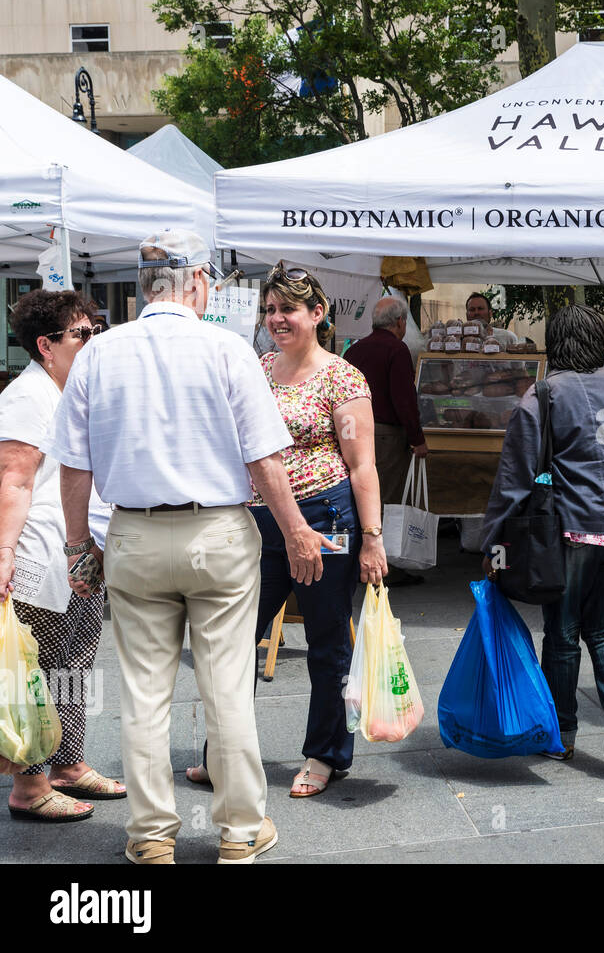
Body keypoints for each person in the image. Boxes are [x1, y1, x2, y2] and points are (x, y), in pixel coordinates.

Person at [46, 229, 330, 864]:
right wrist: (295, 530)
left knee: (143, 693)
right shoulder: (227, 349)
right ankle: (238, 830)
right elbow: (264, 459)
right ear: (198, 281)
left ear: (147, 286)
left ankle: (150, 838)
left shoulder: (99, 352)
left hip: (134, 534)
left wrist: (75, 547)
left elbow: (72, 465)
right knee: (226, 686)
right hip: (218, 532)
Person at [187, 262, 386, 797]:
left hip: (327, 520)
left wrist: (372, 537)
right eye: (270, 309)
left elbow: (362, 464)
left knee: (326, 642)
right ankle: (226, 754)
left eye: (288, 309)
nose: (276, 318)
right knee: (232, 640)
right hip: (260, 523)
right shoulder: (260, 365)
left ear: (317, 314)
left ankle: (325, 755)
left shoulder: (341, 377)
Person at [480, 304, 604, 768]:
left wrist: (491, 543)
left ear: (555, 345)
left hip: (573, 527)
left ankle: (563, 732)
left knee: (563, 632)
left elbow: (514, 479)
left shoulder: (543, 394)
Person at [0, 290, 120, 822]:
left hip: (77, 551)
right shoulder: (27, 397)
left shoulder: (71, 389)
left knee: (75, 665)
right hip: (40, 555)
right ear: (46, 345)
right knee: (39, 670)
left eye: (95, 329)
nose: (93, 340)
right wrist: (4, 553)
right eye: (82, 334)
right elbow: (14, 480)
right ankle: (29, 785)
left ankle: (68, 763)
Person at [344, 295, 429, 587]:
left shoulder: (355, 351)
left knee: (359, 496)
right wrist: (417, 439)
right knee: (387, 500)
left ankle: (354, 559)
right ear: (400, 322)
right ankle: (384, 564)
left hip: (354, 433)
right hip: (386, 435)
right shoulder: (397, 349)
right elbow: (403, 399)